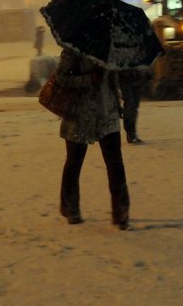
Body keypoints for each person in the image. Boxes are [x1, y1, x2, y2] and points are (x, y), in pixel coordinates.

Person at [53, 48, 130, 230]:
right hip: (80, 114)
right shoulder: (75, 49)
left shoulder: (109, 47)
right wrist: (87, 80)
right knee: (74, 162)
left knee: (115, 164)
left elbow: (112, 79)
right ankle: (70, 207)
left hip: (107, 113)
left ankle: (121, 212)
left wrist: (117, 103)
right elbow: (60, 77)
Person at [118, 68, 151, 144]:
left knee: (134, 107)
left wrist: (147, 73)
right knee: (130, 105)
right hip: (126, 78)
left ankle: (132, 133)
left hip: (138, 78)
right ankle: (130, 133)